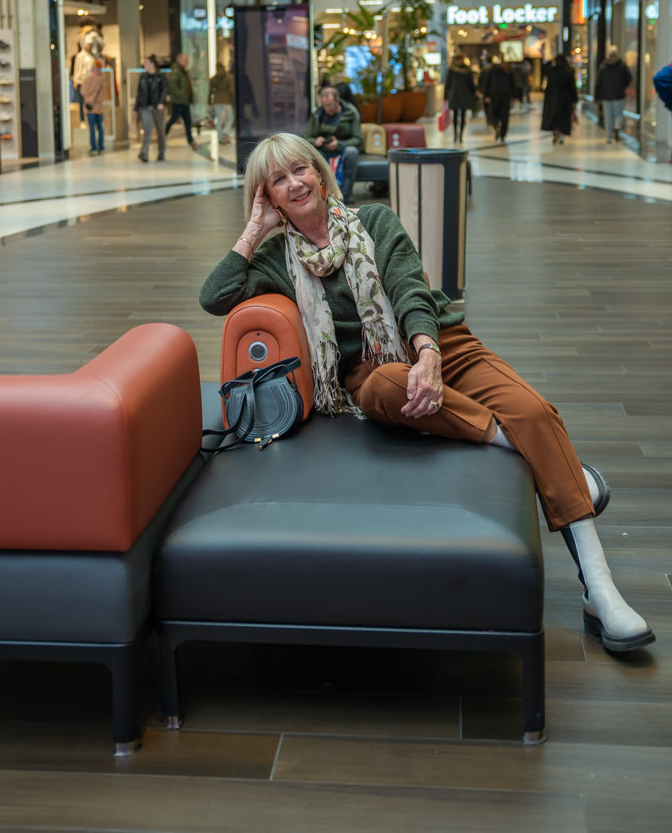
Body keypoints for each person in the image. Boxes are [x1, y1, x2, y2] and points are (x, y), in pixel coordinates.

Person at [199, 132, 654, 655]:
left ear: (321, 172)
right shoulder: (277, 260)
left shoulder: (375, 220)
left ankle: (601, 591)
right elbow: (215, 296)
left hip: (442, 343)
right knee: (389, 385)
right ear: (268, 196)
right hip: (374, 375)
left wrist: (429, 356)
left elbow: (409, 286)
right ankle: (558, 468)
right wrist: (254, 229)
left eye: (300, 169)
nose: (294, 183)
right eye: (277, 179)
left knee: (533, 410)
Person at [303, 85, 362, 205]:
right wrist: (315, 141)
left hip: (343, 148)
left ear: (337, 101)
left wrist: (339, 144)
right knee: (314, 155)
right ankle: (323, 195)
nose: (327, 109)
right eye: (324, 105)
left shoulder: (350, 113)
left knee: (352, 152)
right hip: (323, 149)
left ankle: (346, 195)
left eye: (329, 105)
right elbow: (305, 138)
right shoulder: (318, 115)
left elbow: (358, 139)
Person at [594, 47, 632, 143]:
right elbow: (629, 78)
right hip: (619, 94)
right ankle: (617, 126)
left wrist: (596, 96)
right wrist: (622, 86)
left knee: (608, 116)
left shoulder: (603, 66)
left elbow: (598, 82)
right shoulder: (622, 66)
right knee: (618, 114)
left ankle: (609, 136)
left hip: (606, 95)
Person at [135, 54, 168, 162]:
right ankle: (144, 153)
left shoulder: (161, 77)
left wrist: (161, 102)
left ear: (152, 64)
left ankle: (161, 153)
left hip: (158, 108)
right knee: (147, 129)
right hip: (146, 107)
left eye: (146, 62)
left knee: (160, 131)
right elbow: (139, 93)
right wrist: (136, 107)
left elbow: (164, 91)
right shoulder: (143, 77)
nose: (144, 64)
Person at [541, 54, 577, 144]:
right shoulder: (569, 71)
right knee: (563, 117)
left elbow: (543, 69)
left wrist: (549, 60)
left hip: (552, 97)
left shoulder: (551, 70)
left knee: (553, 116)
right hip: (565, 98)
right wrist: (574, 99)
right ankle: (561, 136)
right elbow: (572, 87)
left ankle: (555, 133)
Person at [166, 52, 196, 150]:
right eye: (185, 60)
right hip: (178, 102)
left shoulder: (183, 71)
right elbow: (173, 86)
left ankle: (191, 141)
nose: (187, 62)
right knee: (173, 119)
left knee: (188, 122)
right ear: (179, 60)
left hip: (185, 102)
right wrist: (181, 96)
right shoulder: (176, 71)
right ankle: (162, 136)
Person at [445, 52, 476, 144]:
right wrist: (474, 93)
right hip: (464, 95)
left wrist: (446, 96)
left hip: (454, 95)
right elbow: (471, 85)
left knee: (455, 116)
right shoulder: (467, 70)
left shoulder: (452, 70)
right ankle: (460, 136)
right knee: (462, 116)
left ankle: (456, 135)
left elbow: (447, 84)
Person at [483, 55, 515, 143]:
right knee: (505, 115)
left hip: (495, 94)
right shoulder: (508, 70)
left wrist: (486, 95)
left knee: (493, 113)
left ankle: (496, 125)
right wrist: (514, 96)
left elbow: (487, 82)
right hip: (506, 94)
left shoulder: (492, 70)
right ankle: (503, 134)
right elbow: (513, 84)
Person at [80, 59, 105, 155]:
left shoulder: (88, 79)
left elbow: (83, 92)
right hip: (99, 107)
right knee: (100, 127)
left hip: (90, 106)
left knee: (91, 128)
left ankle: (94, 147)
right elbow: (103, 94)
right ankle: (101, 146)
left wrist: (90, 96)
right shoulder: (103, 79)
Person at [208, 61, 235, 144]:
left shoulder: (213, 78)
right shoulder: (229, 77)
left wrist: (209, 101)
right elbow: (231, 90)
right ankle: (225, 133)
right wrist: (233, 99)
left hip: (217, 100)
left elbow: (210, 91)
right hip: (226, 100)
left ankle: (220, 138)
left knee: (219, 120)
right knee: (230, 118)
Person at [71, 41, 94, 127]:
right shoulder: (80, 56)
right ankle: (82, 120)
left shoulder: (91, 56)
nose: (89, 46)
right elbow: (77, 68)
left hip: (89, 82)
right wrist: (75, 80)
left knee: (89, 101)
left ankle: (89, 120)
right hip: (81, 81)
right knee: (81, 102)